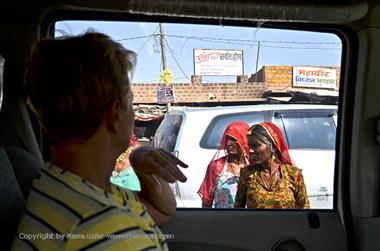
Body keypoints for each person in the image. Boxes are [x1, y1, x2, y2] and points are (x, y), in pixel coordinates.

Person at [12, 32, 188, 251]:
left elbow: (163, 211)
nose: (133, 115)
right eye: (130, 104)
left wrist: (138, 160)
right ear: (115, 114)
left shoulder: (59, 185)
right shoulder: (107, 231)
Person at [234, 122, 310, 209]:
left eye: (255, 146)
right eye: (249, 146)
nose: (250, 151)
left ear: (272, 147)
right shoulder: (247, 174)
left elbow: (305, 209)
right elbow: (238, 209)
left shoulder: (293, 174)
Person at [198, 121, 250, 208]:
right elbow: (206, 200)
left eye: (233, 139)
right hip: (222, 218)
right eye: (227, 139)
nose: (228, 143)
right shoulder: (217, 166)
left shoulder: (252, 166)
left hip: (247, 219)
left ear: (244, 141)